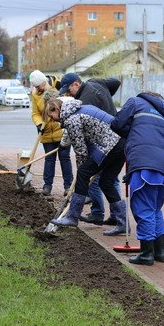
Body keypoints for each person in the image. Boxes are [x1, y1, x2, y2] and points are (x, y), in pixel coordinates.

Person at [110, 91, 164, 266]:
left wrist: (130, 131)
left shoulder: (135, 102)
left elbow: (117, 124)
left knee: (144, 208)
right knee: (154, 207)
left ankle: (147, 254)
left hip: (145, 162)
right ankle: (160, 252)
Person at [47, 98, 127, 236]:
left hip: (111, 145)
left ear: (56, 109)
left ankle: (72, 217)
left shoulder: (72, 119)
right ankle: (123, 223)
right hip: (121, 144)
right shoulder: (78, 109)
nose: (51, 119)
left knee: (83, 173)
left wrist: (81, 172)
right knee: (106, 182)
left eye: (51, 115)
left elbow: (80, 150)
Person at [60, 73, 122, 228]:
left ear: (76, 84)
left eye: (69, 90)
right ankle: (116, 217)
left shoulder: (83, 101)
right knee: (109, 180)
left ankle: (97, 212)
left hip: (105, 142)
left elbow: (79, 141)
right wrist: (106, 95)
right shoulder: (96, 82)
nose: (68, 95)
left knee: (91, 176)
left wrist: (82, 166)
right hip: (116, 136)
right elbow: (115, 81)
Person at [29, 70, 74, 196]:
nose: (38, 89)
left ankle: (68, 187)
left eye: (38, 86)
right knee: (49, 159)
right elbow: (35, 113)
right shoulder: (35, 94)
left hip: (62, 131)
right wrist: (38, 124)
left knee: (65, 158)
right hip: (46, 132)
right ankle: (47, 186)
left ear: (43, 81)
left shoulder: (58, 86)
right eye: (36, 87)